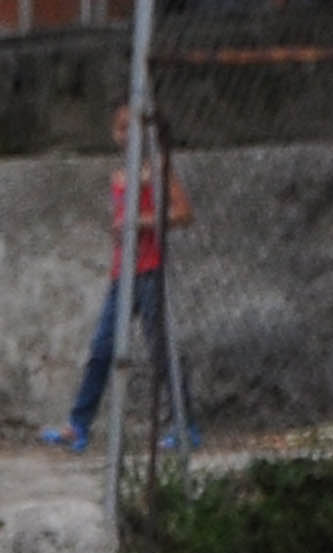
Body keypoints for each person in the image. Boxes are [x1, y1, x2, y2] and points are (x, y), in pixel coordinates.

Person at [46, 103, 193, 453]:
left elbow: (184, 212)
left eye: (135, 128)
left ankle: (185, 426)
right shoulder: (119, 176)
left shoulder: (157, 170)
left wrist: (138, 221)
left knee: (162, 350)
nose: (128, 135)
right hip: (121, 273)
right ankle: (77, 427)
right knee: (101, 349)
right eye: (122, 128)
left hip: (149, 269)